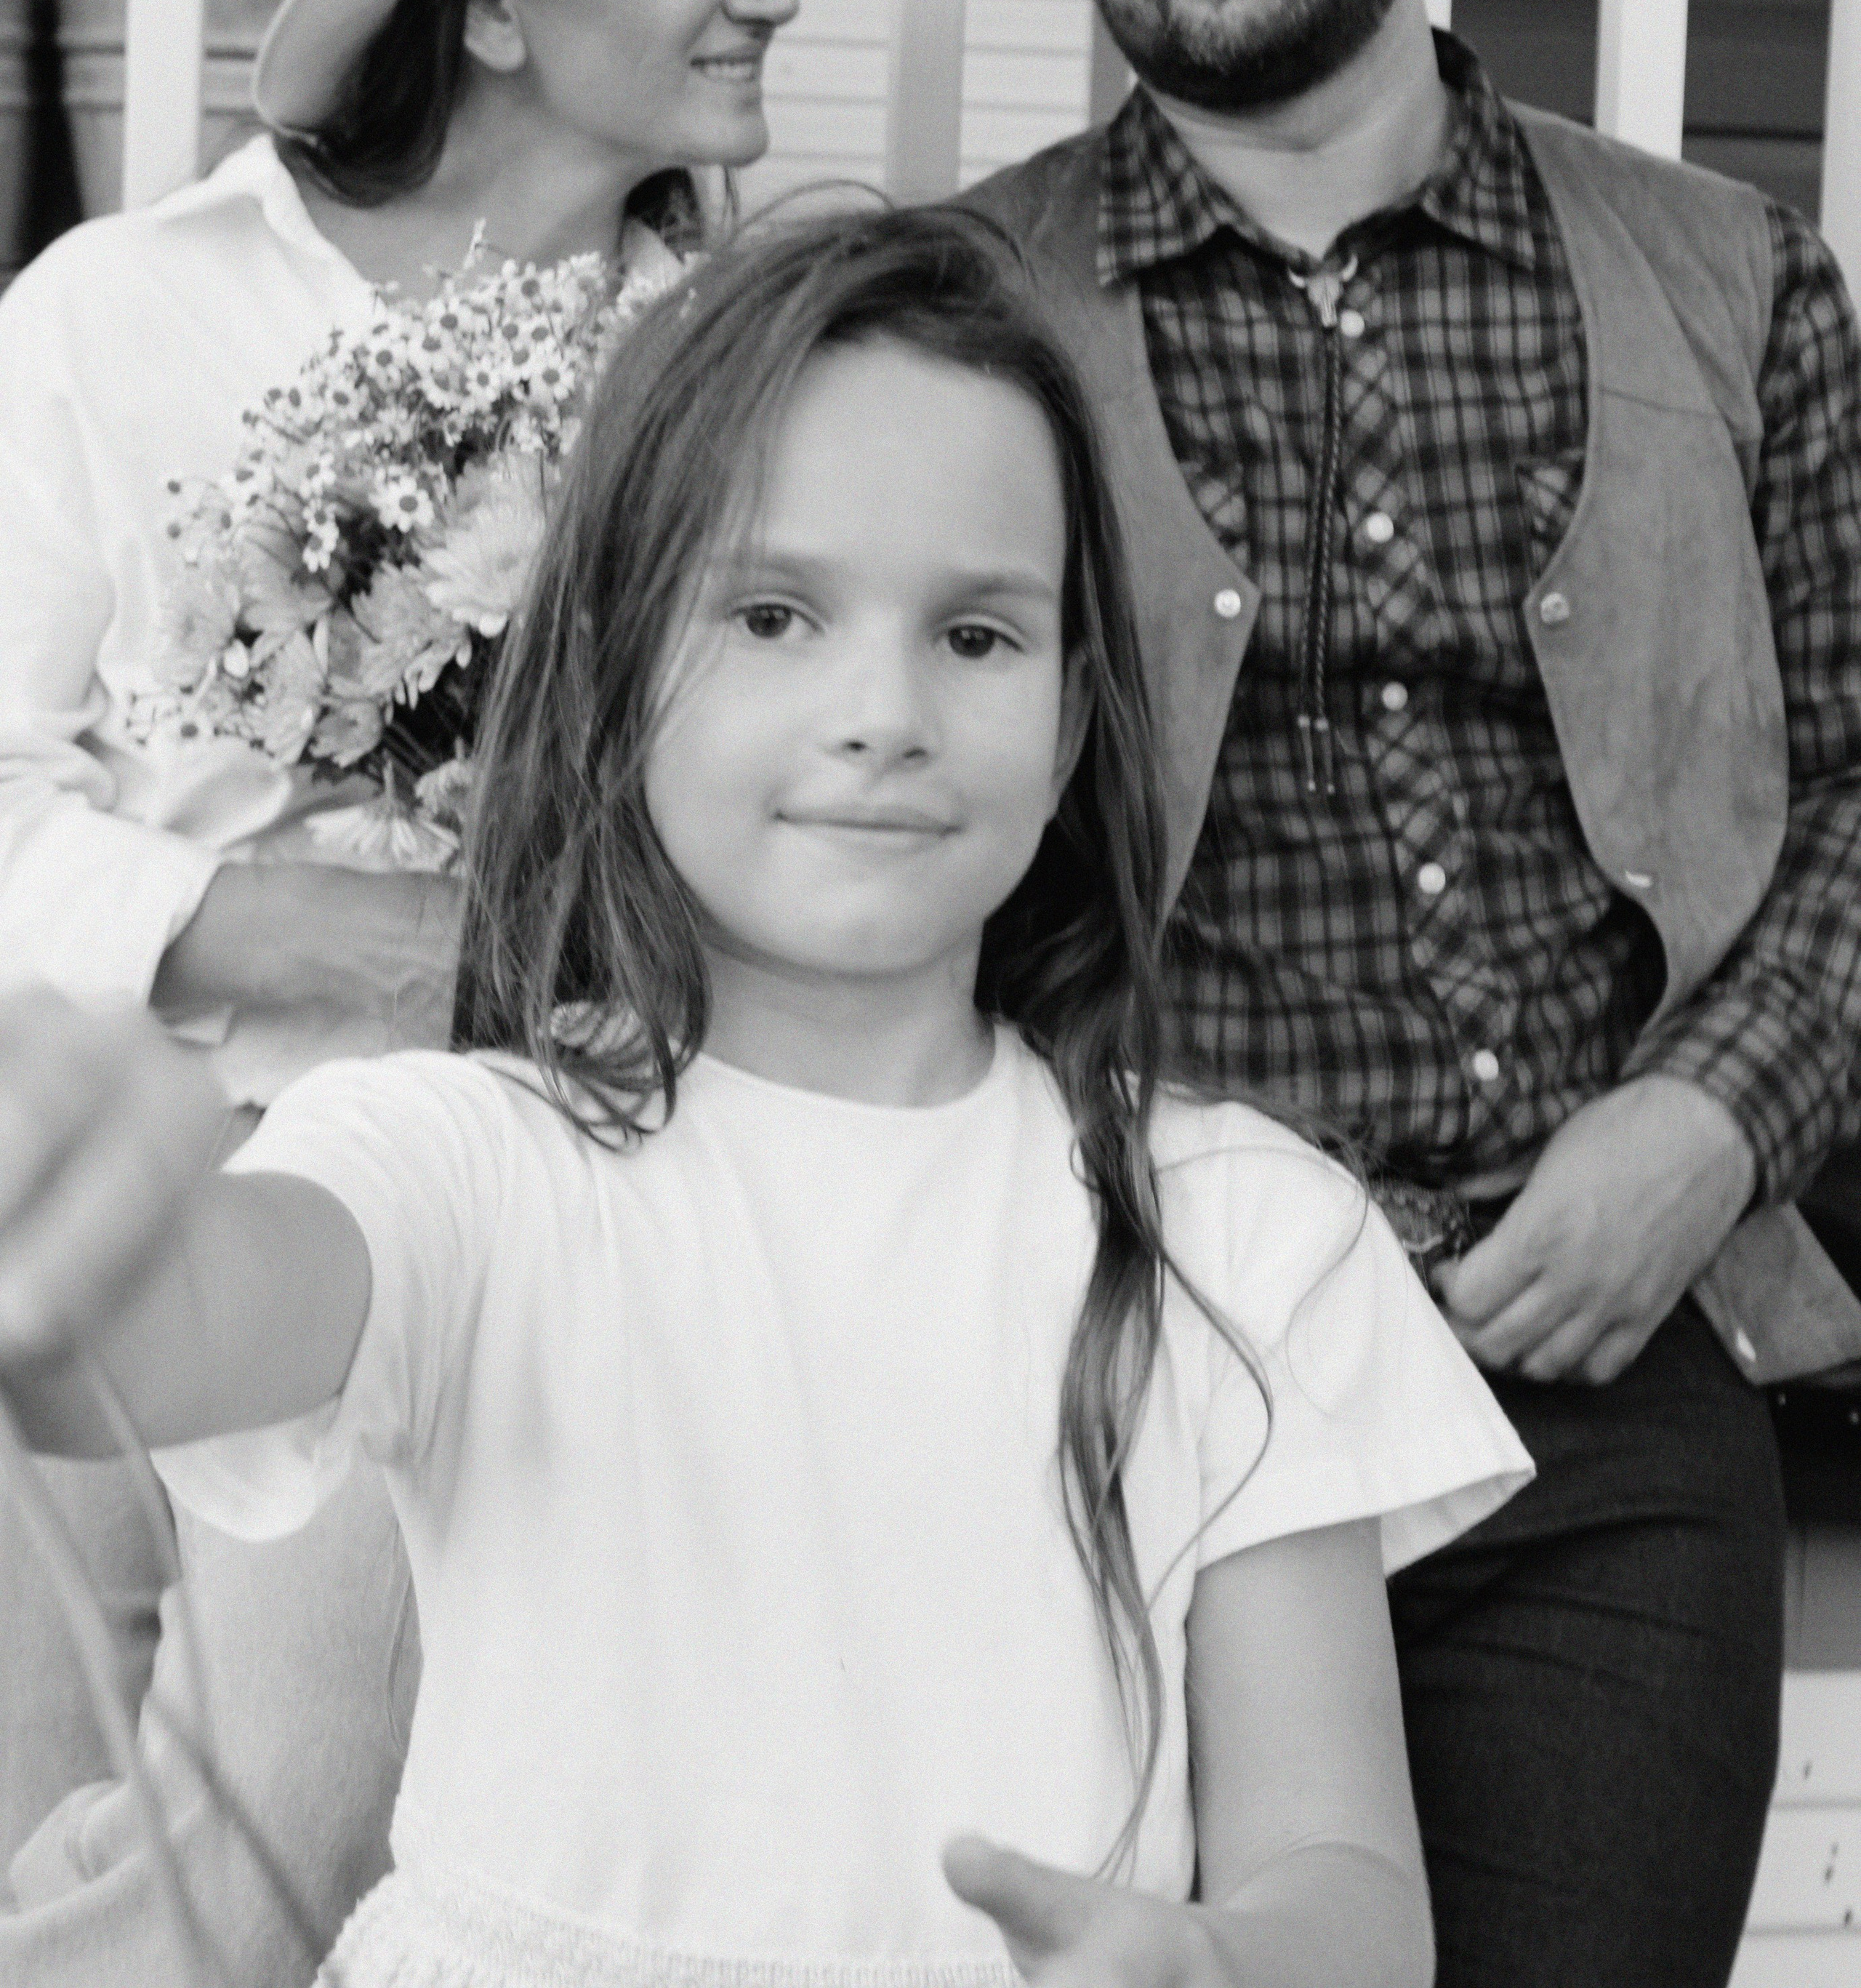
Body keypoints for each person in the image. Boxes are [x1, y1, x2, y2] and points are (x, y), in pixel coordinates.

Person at [0, 205, 1528, 1988]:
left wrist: (1214, 1965)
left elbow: (1342, 1881)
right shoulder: (470, 1156)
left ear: (1074, 713)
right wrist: (79, 1217)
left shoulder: (1247, 1232)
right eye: (774, 612)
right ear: (617, 664)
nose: (881, 709)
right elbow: (164, 1331)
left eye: (974, 635)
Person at [968, 0, 1861, 1988]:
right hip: (1128, 1374)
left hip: (1596, 1368)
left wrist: (1713, 1121)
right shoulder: (961, 315)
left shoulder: (1730, 271)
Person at [0, 0, 897, 1974]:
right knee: (92, 1877)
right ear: (494, 3)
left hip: (570, 1256)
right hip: (126, 1228)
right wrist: (307, 934)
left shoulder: (753, 372)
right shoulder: (120, 317)